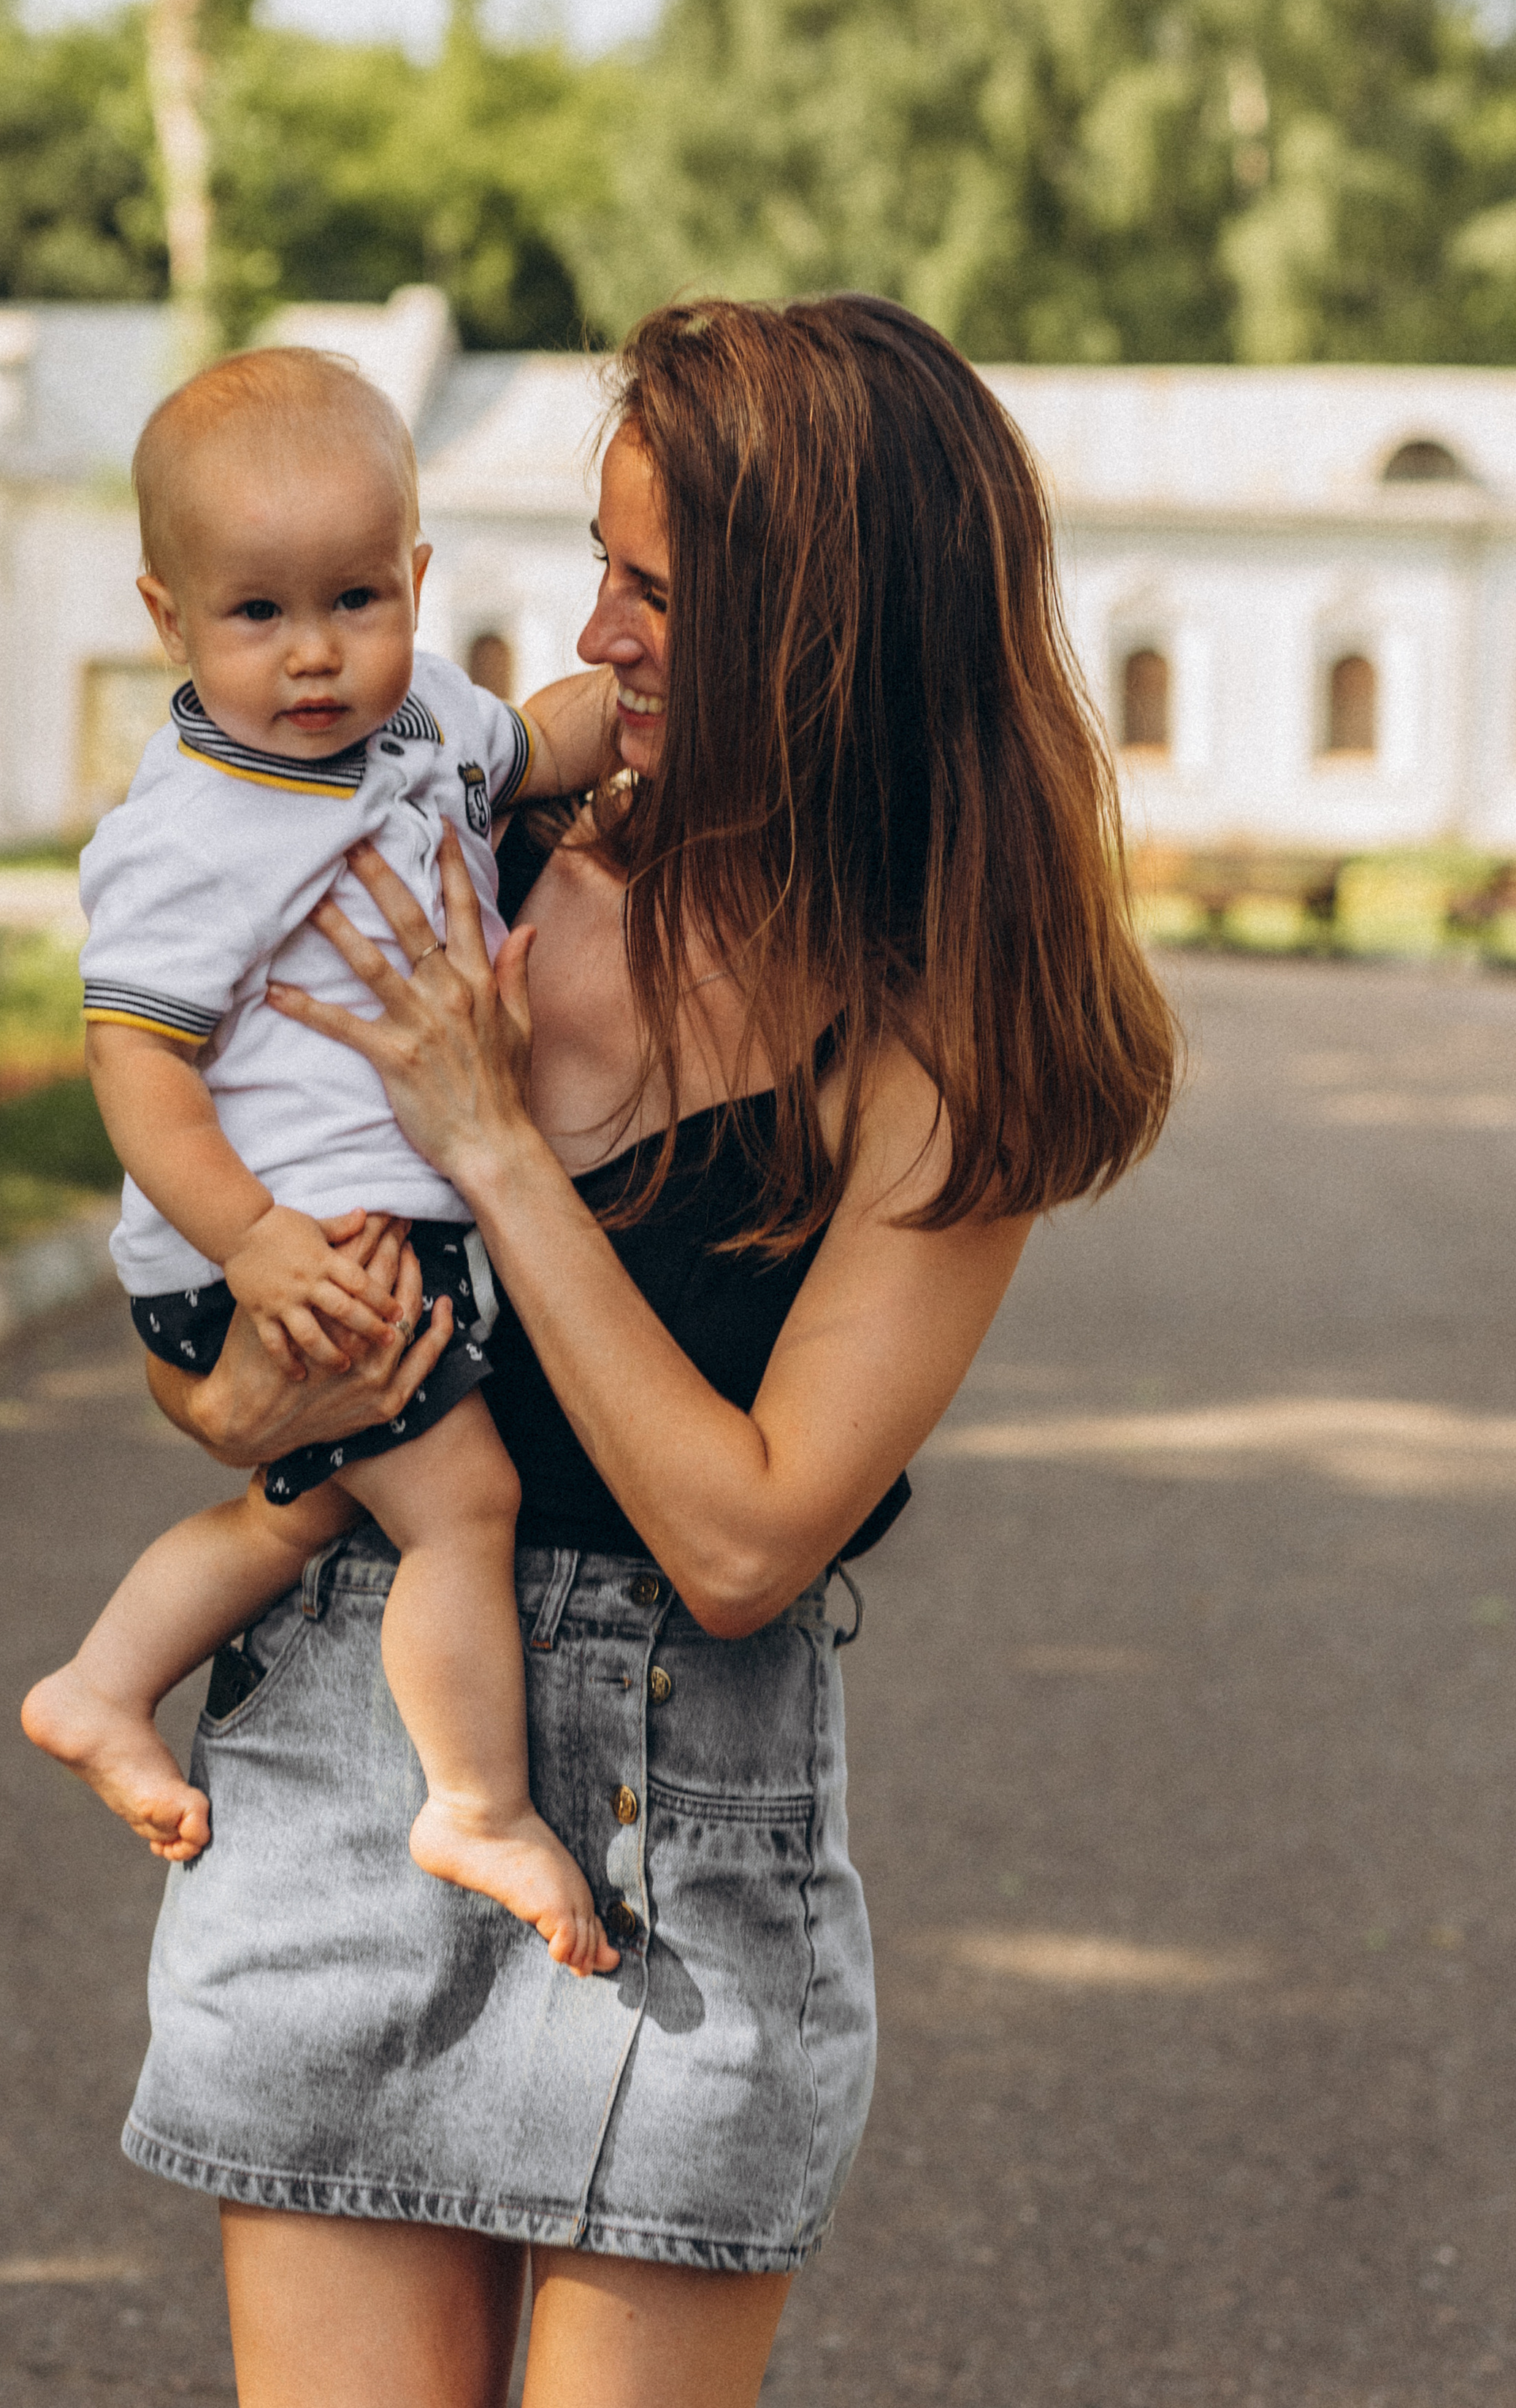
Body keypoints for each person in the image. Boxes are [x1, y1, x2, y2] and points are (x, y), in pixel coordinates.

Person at [122, 296, 1179, 2408]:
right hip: (348, 1766)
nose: (598, 638)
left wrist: (494, 1145)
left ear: (831, 636)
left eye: (664, 594)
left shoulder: (945, 1034)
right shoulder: (458, 841)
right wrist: (235, 1401)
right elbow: (223, 1320)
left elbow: (745, 1540)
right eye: (602, 569)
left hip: (682, 1845)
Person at [21, 345, 620, 1975]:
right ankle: (475, 1805)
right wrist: (252, 1240)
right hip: (283, 1249)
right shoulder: (194, 828)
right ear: (168, 619)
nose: (313, 654)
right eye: (257, 614)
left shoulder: (420, 718)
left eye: (356, 600)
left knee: (300, 1515)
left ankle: (98, 1686)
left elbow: (544, 746)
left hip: (342, 1234)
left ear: (416, 581)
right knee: (464, 1505)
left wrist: (660, 706)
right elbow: (135, 1064)